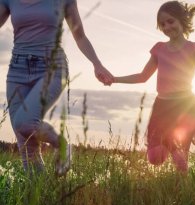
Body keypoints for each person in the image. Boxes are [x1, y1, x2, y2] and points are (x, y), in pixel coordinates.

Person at [111, 1, 195, 172]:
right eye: (162, 24)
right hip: (162, 108)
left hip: (186, 107)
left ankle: (182, 191)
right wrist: (115, 79)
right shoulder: (159, 49)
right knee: (155, 158)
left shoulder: (193, 48)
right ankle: (168, 144)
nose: (167, 27)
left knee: (180, 159)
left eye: (170, 21)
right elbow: (142, 77)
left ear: (182, 20)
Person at [0, 0, 113, 175]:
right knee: (26, 143)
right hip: (17, 70)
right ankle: (39, 197)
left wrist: (97, 64)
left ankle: (61, 145)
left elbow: (80, 36)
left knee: (25, 123)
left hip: (52, 68)